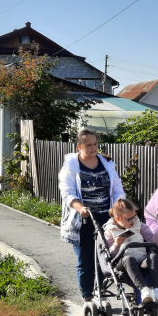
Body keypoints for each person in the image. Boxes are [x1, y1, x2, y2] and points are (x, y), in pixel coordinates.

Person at [58, 129, 125, 303]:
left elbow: (117, 188)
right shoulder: (71, 167)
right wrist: (81, 208)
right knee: (85, 260)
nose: (93, 148)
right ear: (79, 146)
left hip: (106, 218)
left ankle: (99, 292)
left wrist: (119, 206)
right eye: (89, 145)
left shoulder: (107, 164)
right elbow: (68, 193)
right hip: (83, 220)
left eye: (95, 144)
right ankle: (87, 297)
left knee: (103, 257)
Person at [103, 198, 158, 303]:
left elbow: (153, 243)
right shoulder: (110, 230)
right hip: (122, 263)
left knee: (153, 256)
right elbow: (110, 254)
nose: (133, 221)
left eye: (134, 216)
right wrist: (116, 244)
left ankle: (157, 290)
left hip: (141, 259)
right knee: (128, 258)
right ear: (118, 218)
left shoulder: (139, 225)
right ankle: (144, 290)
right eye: (129, 219)